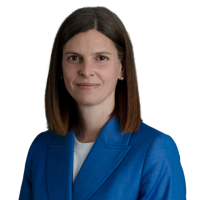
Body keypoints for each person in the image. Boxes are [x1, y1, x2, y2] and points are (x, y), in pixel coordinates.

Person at [19, 6, 186, 200]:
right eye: (74, 58)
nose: (86, 70)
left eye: (101, 58)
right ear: (60, 67)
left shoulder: (155, 150)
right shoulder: (41, 148)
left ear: (122, 68)